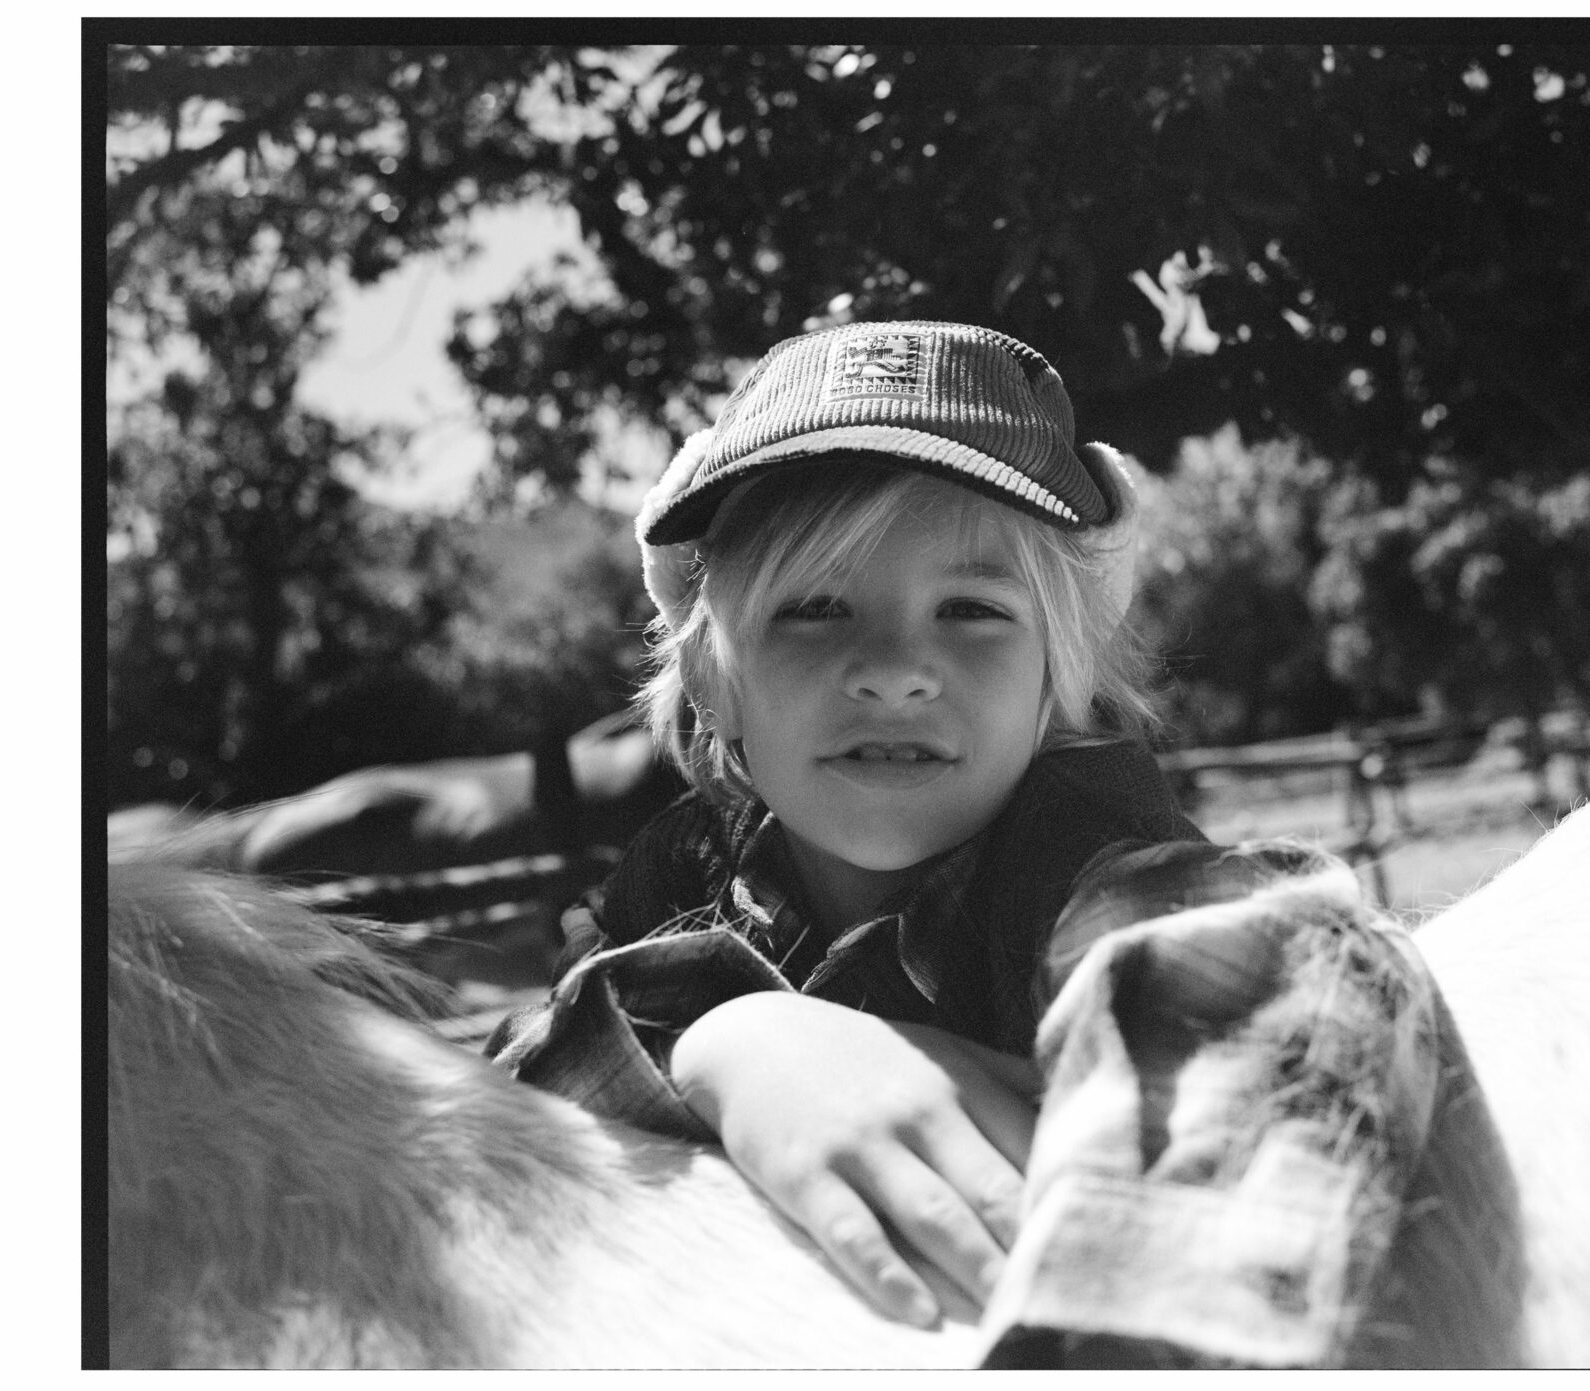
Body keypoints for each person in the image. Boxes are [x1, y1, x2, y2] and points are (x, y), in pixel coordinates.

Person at [488, 319, 1210, 1328]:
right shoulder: (690, 859)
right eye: (814, 608)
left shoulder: (1081, 850)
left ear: (1063, 677)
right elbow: (507, 1103)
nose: (890, 666)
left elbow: (1269, 1005)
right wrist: (729, 1041)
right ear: (710, 684)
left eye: (969, 610)